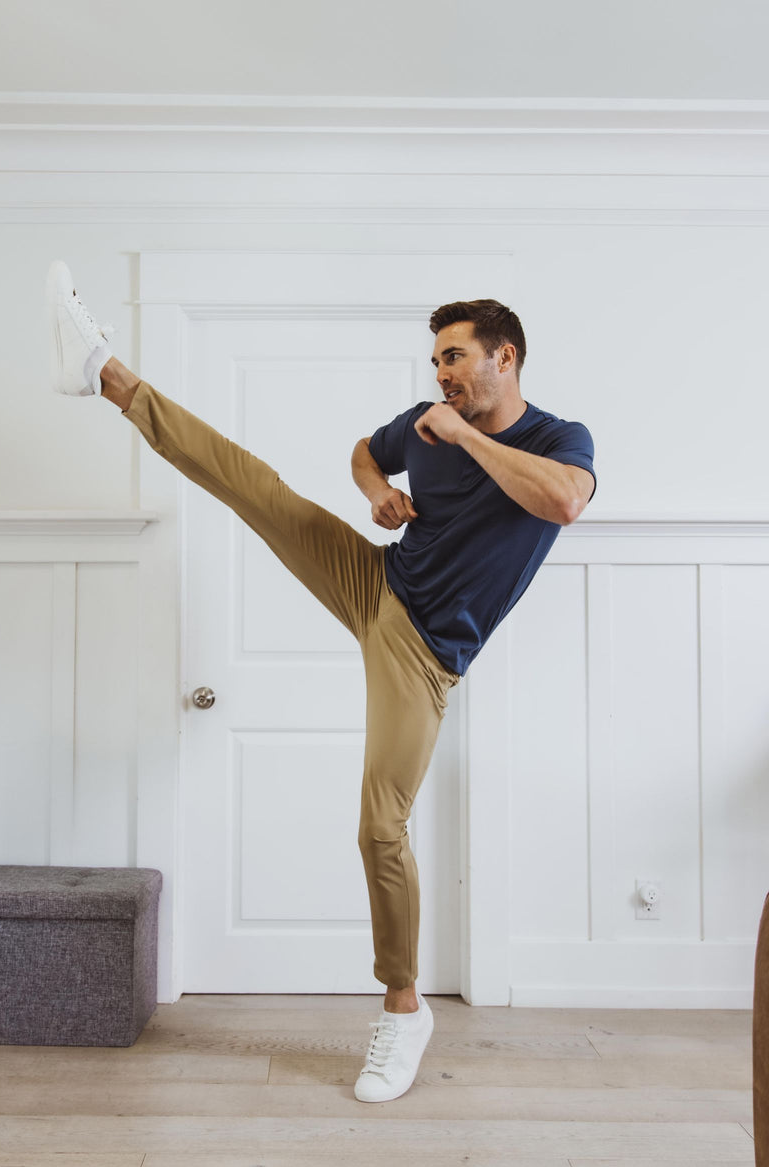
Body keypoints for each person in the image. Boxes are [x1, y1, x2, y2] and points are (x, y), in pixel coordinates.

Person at [46, 261, 596, 1102]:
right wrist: (378, 490)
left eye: (456, 357)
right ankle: (108, 377)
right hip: (376, 581)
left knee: (382, 826)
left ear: (505, 358)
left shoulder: (559, 440)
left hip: (426, 650)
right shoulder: (422, 423)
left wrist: (465, 439)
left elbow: (562, 504)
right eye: (437, 362)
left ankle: (404, 1010)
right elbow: (358, 455)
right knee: (257, 489)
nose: (442, 375)